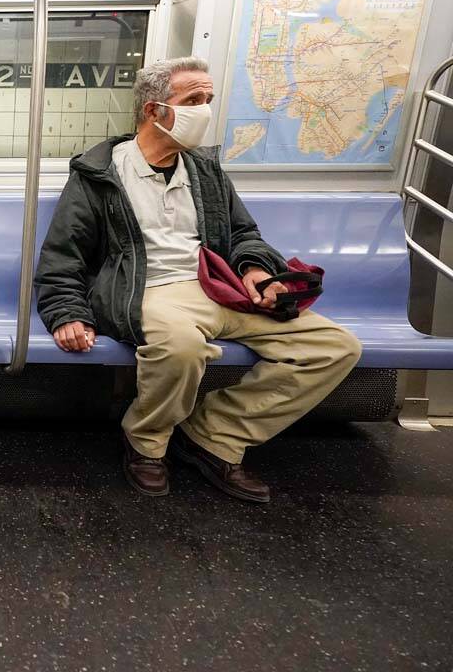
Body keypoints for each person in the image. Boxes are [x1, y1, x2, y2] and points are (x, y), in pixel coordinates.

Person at [34, 57, 361, 503]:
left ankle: (213, 433)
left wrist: (256, 270)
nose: (204, 111)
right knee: (181, 348)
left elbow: (244, 233)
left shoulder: (205, 172)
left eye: (207, 100)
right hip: (147, 288)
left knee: (333, 348)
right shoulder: (100, 175)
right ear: (154, 111)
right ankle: (146, 443)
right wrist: (66, 313)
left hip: (219, 286)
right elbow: (63, 254)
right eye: (192, 101)